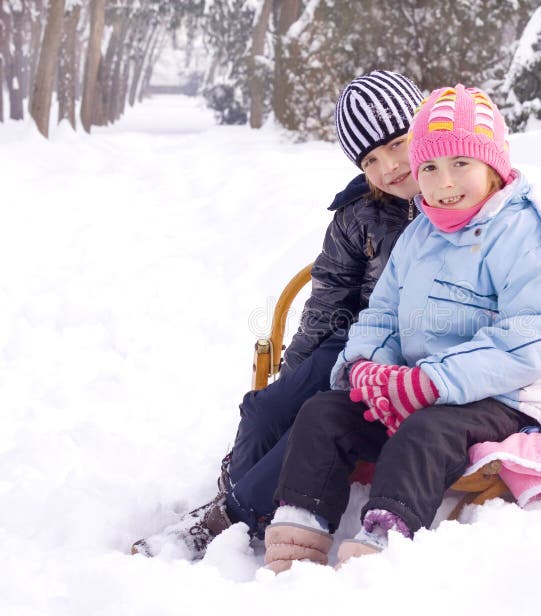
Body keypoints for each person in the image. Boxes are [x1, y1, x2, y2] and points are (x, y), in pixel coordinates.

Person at [262, 84, 541, 572]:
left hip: (510, 394)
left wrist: (433, 382)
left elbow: (529, 341)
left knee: (425, 429)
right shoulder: (421, 233)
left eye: (460, 164)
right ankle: (299, 529)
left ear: (493, 165)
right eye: (429, 167)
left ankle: (384, 537)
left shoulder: (531, 235)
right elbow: (383, 312)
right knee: (324, 412)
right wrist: (367, 366)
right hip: (423, 382)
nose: (444, 182)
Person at [131, 70, 424, 559]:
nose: (389, 166)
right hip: (350, 335)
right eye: (370, 159)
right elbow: (329, 298)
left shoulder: (457, 194)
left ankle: (226, 517)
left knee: (312, 419)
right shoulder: (358, 214)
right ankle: (240, 490)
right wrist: (295, 376)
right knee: (268, 407)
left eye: (398, 144)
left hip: (403, 350)